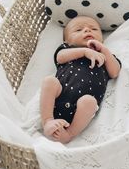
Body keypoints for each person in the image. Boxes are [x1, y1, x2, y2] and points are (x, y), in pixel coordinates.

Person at [40, 15, 121, 144]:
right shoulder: (67, 49)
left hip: (83, 107)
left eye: (94, 29)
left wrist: (104, 50)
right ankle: (48, 120)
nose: (87, 31)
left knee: (89, 101)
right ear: (67, 41)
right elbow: (59, 57)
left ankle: (69, 133)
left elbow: (115, 72)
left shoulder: (105, 56)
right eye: (78, 30)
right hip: (60, 94)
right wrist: (84, 52)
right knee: (49, 82)